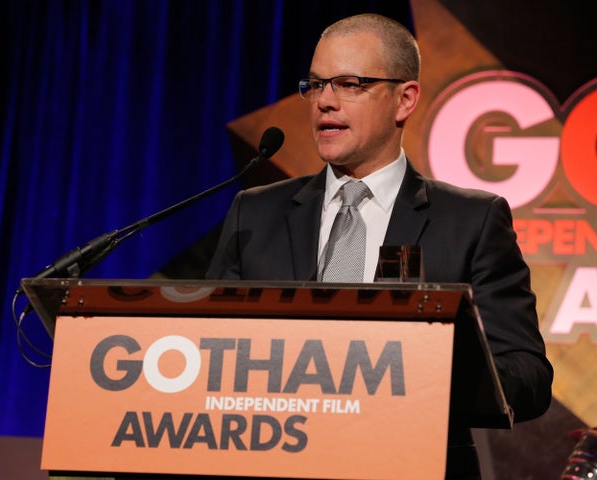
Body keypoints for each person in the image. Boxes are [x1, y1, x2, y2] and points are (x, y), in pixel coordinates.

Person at [206, 13, 553, 479]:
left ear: (404, 100)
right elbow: (207, 350)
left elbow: (528, 376)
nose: (324, 102)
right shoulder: (256, 212)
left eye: (349, 84)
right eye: (315, 83)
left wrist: (427, 373)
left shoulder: (471, 220)